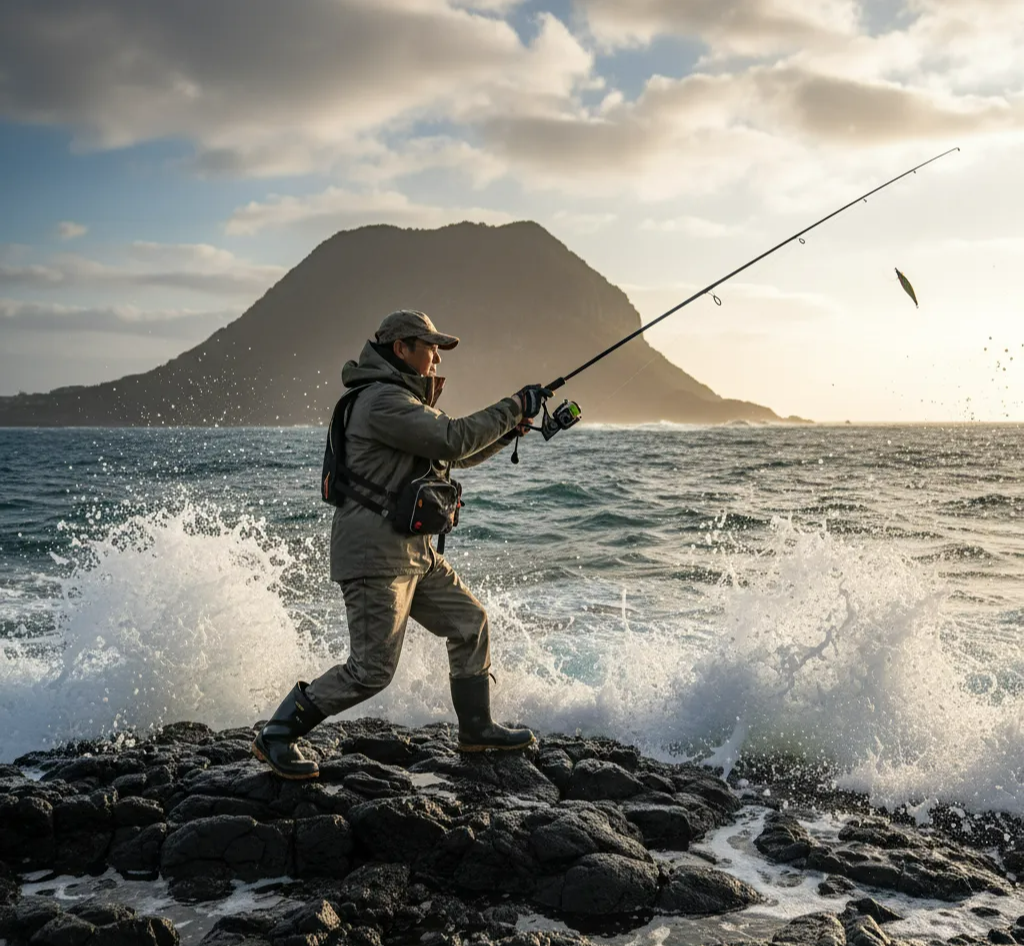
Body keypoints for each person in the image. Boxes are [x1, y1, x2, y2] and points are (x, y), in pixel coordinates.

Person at [251, 309, 552, 779]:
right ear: (401, 349)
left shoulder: (401, 401)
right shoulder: (382, 403)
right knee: (371, 670)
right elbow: (451, 440)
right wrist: (513, 405)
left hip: (413, 552)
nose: (436, 356)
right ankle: (278, 734)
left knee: (470, 622)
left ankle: (477, 730)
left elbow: (450, 454)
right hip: (376, 555)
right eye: (430, 346)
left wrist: (504, 434)